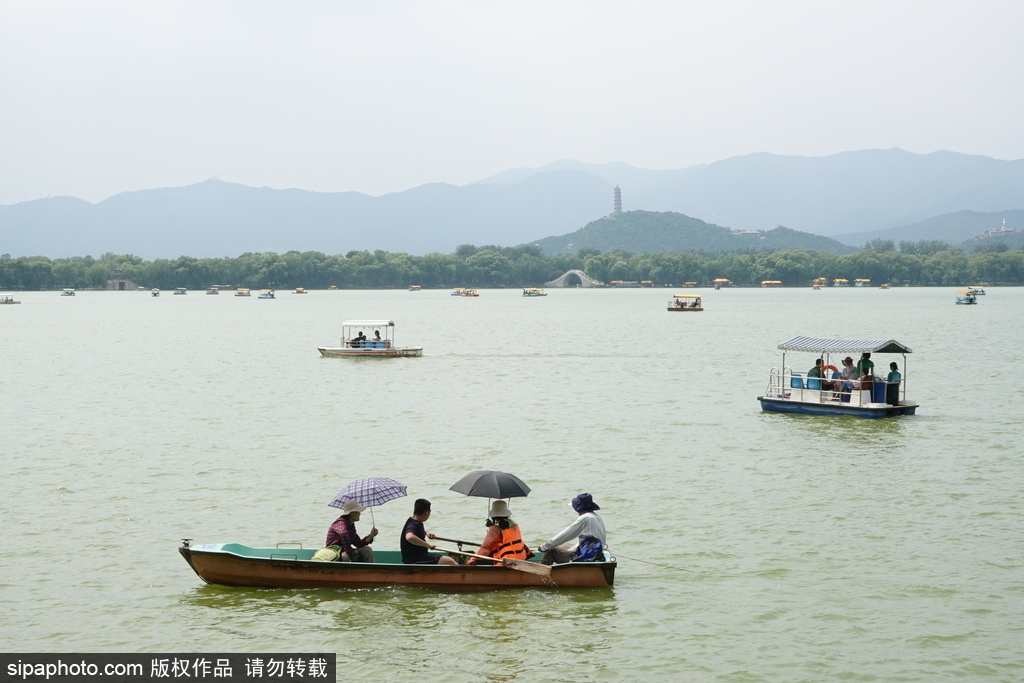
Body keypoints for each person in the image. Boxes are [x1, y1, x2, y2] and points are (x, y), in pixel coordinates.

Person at [538, 493, 607, 565]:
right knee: (565, 547)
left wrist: (544, 547)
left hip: (586, 556)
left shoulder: (585, 518)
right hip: (597, 554)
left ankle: (538, 573)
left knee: (551, 550)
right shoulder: (597, 517)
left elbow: (566, 535)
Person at [469, 500, 531, 564]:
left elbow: (485, 548)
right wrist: (492, 526)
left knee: (475, 562)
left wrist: (471, 560)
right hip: (521, 557)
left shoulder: (495, 528)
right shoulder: (513, 523)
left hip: (507, 560)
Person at [401, 498, 458, 565]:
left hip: (418, 556)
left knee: (449, 559)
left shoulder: (412, 520)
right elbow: (409, 537)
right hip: (416, 559)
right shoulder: (413, 524)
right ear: (426, 513)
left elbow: (414, 531)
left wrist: (426, 533)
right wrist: (428, 545)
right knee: (450, 561)